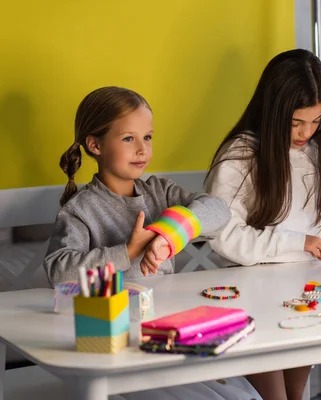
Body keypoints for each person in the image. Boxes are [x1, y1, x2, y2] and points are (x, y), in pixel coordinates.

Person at [43, 86, 260, 400]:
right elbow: (57, 270)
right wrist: (129, 251)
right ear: (95, 144)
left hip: (166, 331)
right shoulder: (80, 210)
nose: (142, 149)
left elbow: (217, 210)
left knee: (246, 395)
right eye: (129, 138)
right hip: (116, 347)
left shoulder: (160, 192)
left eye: (148, 137)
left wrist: (167, 235)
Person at [205, 49, 321, 400]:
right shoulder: (239, 157)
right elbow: (227, 237)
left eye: (316, 121)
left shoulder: (308, 154)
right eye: (296, 122)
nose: (306, 132)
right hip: (251, 298)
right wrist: (299, 242)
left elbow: (310, 218)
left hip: (300, 294)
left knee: (297, 394)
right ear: (273, 110)